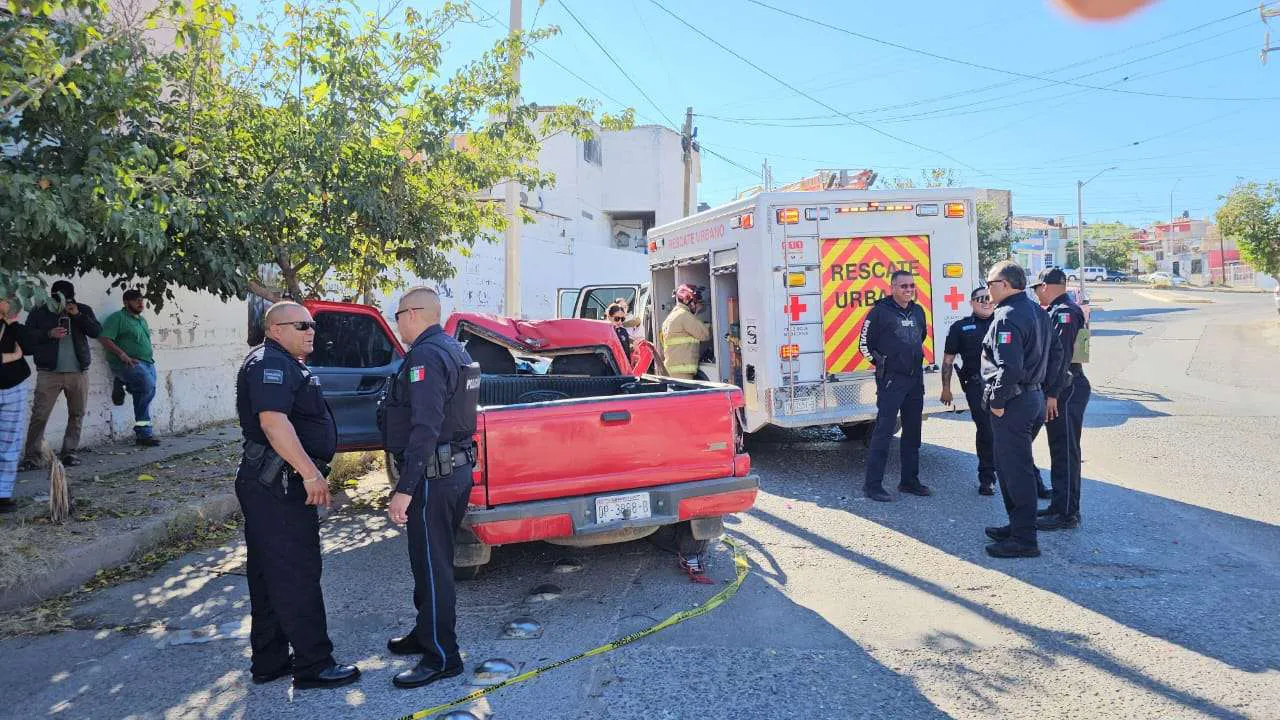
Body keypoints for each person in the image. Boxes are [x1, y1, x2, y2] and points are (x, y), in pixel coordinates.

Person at [234, 301, 359, 690]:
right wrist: (309, 474)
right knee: (295, 572)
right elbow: (273, 423)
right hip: (280, 482)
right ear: (274, 329)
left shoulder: (286, 363)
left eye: (312, 325)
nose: (311, 331)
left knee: (270, 572)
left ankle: (270, 660)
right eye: (300, 325)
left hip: (272, 482)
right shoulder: (269, 364)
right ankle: (314, 665)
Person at [381, 287, 481, 689]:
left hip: (433, 477)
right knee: (429, 560)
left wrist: (404, 488)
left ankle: (442, 656)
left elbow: (426, 426)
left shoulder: (425, 355)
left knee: (433, 565)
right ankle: (426, 634)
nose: (396, 321)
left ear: (414, 314)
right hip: (453, 471)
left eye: (398, 313)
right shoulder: (453, 348)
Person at [980, 262, 1062, 558]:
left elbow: (1010, 367)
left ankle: (1025, 539)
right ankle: (1017, 526)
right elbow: (1058, 354)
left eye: (989, 283)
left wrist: (999, 402)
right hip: (1033, 397)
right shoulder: (1037, 312)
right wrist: (1049, 390)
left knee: (1016, 470)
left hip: (1014, 402)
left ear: (1004, 284)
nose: (986, 289)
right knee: (1012, 467)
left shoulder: (1007, 315)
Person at [858, 269, 931, 502]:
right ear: (892, 287)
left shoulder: (918, 311)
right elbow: (864, 346)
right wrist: (883, 366)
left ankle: (909, 481)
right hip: (892, 381)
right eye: (903, 286)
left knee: (912, 432)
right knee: (883, 433)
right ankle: (873, 486)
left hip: (915, 380)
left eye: (911, 286)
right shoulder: (879, 312)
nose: (908, 290)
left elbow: (921, 338)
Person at [1032, 268, 1090, 531]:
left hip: (1067, 388)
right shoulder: (1059, 310)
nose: (1035, 293)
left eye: (1037, 288)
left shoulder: (1065, 312)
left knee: (1065, 451)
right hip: (1063, 387)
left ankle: (1067, 513)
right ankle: (1060, 504)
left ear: (1046, 286)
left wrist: (1052, 394)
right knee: (1058, 449)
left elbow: (1062, 358)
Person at [20, 280, 101, 469]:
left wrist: (78, 315)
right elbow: (27, 337)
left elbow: (96, 331)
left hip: (78, 372)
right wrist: (49, 333)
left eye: (68, 300)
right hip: (49, 372)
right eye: (59, 300)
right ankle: (32, 456)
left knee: (77, 413)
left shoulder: (83, 309)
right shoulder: (40, 312)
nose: (63, 304)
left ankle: (69, 452)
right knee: (40, 415)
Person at [941, 286, 997, 496]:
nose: (986, 302)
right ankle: (987, 478)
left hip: (1008, 385)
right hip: (977, 386)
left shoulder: (1004, 323)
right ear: (972, 302)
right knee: (986, 430)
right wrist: (946, 389)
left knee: (1013, 432)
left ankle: (1028, 477)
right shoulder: (960, 327)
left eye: (989, 298)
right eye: (980, 298)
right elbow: (948, 360)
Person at [99, 289, 160, 447]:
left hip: (147, 362)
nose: (140, 303)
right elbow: (105, 339)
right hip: (128, 362)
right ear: (126, 303)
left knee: (146, 392)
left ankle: (143, 434)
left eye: (141, 300)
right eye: (136, 300)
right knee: (147, 387)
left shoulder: (141, 320)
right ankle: (144, 433)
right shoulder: (117, 318)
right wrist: (122, 354)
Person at [0, 297, 32, 512]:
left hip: (13, 387)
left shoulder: (14, 327)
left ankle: (3, 494)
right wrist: (12, 355)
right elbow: (19, 353)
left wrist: (11, 322)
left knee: (9, 443)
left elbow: (28, 348)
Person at [660, 285, 710, 380]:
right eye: (695, 302)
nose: (697, 305)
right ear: (688, 301)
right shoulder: (684, 316)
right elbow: (705, 334)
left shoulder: (673, 315)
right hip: (682, 373)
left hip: (673, 370)